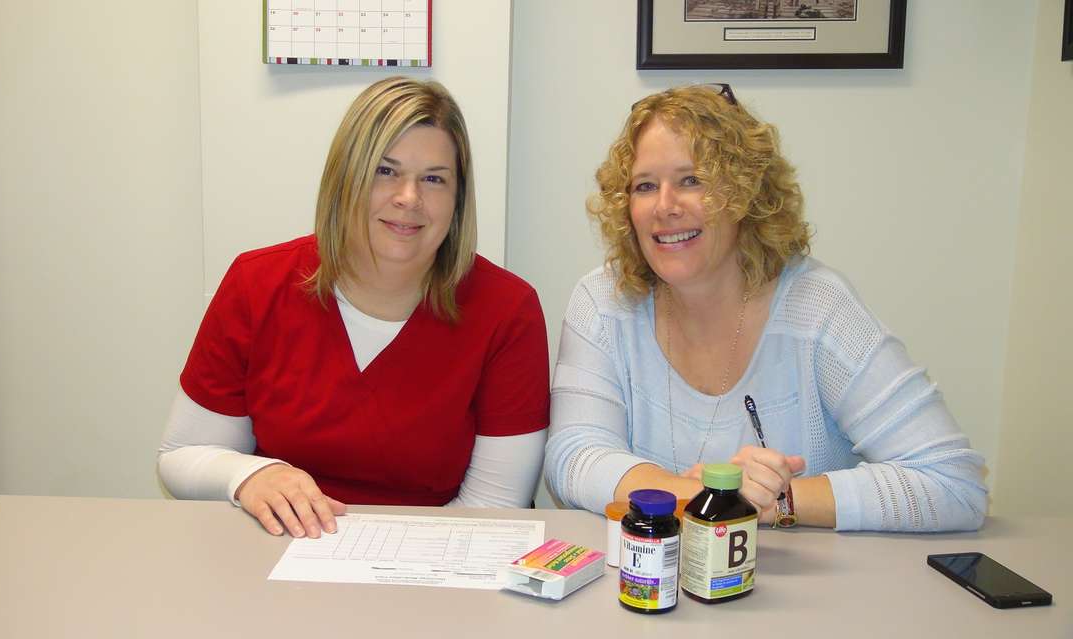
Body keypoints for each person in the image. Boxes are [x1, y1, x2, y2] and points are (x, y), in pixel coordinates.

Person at [545, 84, 986, 532]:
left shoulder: (818, 307)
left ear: (743, 194)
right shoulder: (604, 301)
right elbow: (575, 453)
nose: (665, 206)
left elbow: (954, 485)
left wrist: (780, 499)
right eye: (644, 186)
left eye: (691, 180)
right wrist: (700, 498)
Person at [159, 77, 550, 538]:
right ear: (345, 179)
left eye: (434, 179)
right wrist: (248, 476)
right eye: (385, 171)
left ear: (458, 199)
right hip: (277, 556)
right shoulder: (256, 283)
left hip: (434, 570)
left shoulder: (507, 310)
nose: (409, 198)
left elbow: (494, 507)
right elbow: (181, 455)